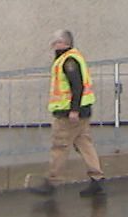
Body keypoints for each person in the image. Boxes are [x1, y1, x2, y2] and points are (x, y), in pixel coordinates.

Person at [30, 30, 106, 197]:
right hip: (82, 111)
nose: (53, 46)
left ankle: (51, 182)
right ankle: (97, 179)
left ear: (64, 43)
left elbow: (76, 86)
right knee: (84, 144)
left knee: (60, 146)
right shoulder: (73, 57)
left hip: (68, 114)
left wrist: (73, 110)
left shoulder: (68, 61)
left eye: (56, 42)